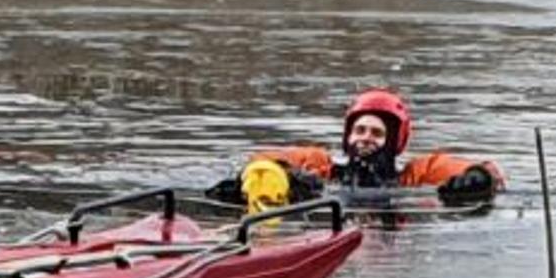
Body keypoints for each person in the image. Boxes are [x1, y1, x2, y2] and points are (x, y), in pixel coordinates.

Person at [208, 88, 505, 211]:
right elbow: (265, 160)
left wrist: (478, 179)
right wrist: (285, 177)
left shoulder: (416, 176)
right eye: (359, 130)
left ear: (393, 142)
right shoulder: (321, 169)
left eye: (377, 133)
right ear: (348, 136)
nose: (365, 138)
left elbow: (488, 172)